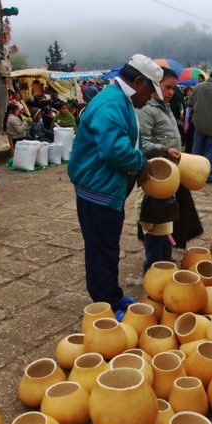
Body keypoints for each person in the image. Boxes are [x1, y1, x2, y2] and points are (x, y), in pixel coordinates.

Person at [68, 54, 162, 316]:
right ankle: (105, 305)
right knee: (102, 249)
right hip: (97, 190)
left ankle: (111, 295)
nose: (149, 98)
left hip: (106, 187)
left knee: (107, 247)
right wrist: (142, 163)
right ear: (139, 82)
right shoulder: (111, 104)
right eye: (150, 92)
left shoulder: (121, 100)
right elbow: (115, 151)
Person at [137, 67, 203, 270]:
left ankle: (163, 261)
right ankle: (154, 267)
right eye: (167, 87)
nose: (171, 92)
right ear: (154, 84)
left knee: (169, 220)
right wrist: (164, 149)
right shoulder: (146, 110)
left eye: (174, 88)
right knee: (155, 221)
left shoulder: (166, 107)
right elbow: (142, 143)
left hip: (172, 173)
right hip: (156, 175)